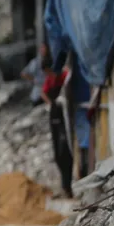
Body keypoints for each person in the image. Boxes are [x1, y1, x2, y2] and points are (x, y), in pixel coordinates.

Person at [43, 62, 73, 197]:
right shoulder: (50, 80)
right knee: (59, 155)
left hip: (64, 120)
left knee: (65, 153)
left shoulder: (62, 77)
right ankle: (65, 186)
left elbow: (69, 75)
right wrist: (51, 103)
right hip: (56, 119)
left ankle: (68, 186)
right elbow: (43, 91)